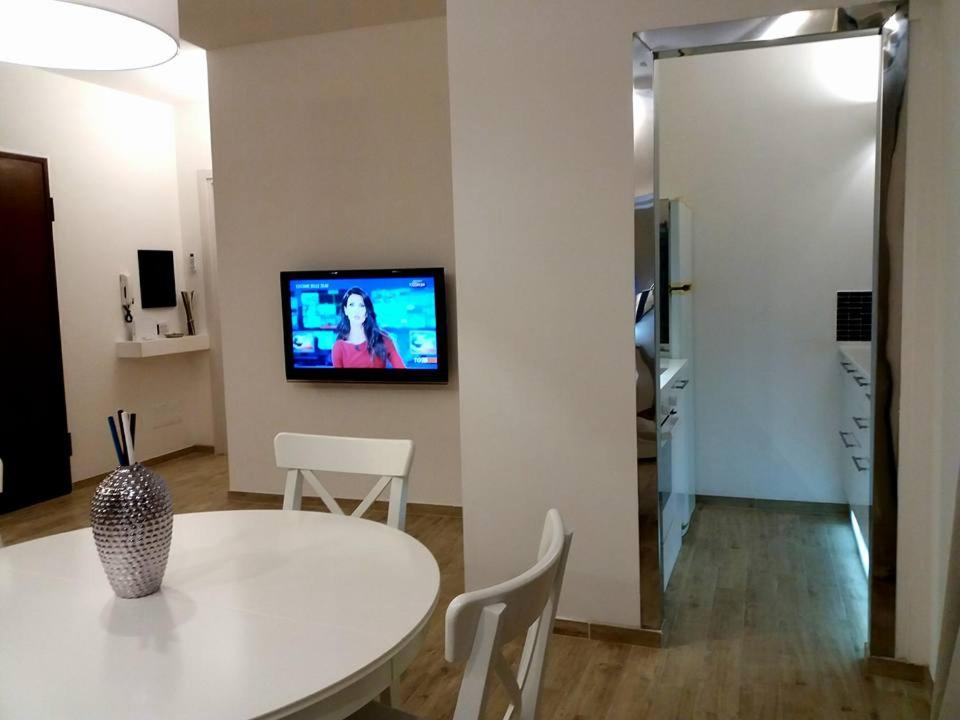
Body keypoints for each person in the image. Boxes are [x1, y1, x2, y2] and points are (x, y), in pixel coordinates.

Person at [331, 287, 406, 369]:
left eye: (361, 305)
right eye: (352, 305)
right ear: (346, 310)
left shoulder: (383, 340)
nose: (356, 310)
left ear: (367, 312)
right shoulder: (339, 347)